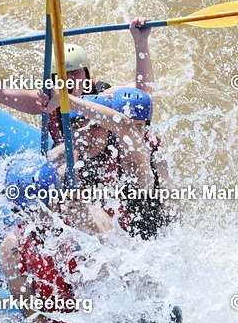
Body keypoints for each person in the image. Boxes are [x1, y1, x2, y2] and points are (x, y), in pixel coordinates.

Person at [0, 17, 155, 145]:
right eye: (64, 76)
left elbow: (143, 89)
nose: (71, 80)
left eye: (76, 73)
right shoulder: (46, 100)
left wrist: (141, 42)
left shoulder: (102, 94)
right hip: (71, 165)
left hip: (105, 167)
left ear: (87, 74)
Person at [0, 155, 114, 323]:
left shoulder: (92, 217)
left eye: (39, 207)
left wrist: (90, 227)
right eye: (24, 210)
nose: (33, 216)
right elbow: (32, 313)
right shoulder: (13, 247)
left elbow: (119, 276)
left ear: (57, 196)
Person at [48, 88, 179, 240]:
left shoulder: (132, 159)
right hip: (110, 242)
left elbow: (125, 126)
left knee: (94, 211)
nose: (86, 135)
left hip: (144, 243)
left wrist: (66, 99)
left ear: (110, 131)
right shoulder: (73, 159)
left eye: (96, 127)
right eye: (79, 127)